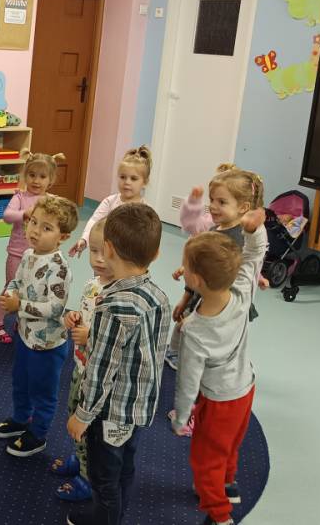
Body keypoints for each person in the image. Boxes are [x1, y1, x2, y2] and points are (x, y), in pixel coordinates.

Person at [65, 204, 172, 525]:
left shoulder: (113, 307)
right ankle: (116, 515)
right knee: (125, 468)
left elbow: (101, 369)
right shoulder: (158, 296)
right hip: (138, 407)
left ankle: (106, 519)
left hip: (109, 413)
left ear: (108, 249)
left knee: (104, 478)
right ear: (156, 254)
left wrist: (83, 415)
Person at [171, 210, 268, 525]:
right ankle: (228, 483)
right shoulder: (241, 292)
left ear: (197, 280)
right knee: (230, 444)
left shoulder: (195, 331)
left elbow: (188, 383)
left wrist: (181, 418)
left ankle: (219, 515)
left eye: (185, 267)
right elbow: (254, 255)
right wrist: (254, 230)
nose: (182, 270)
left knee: (205, 461)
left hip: (218, 402)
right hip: (245, 389)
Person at [0, 195, 78, 458]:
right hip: (25, 336)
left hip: (48, 345)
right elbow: (17, 281)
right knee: (21, 382)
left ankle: (38, 434)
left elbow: (55, 308)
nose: (35, 231)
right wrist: (10, 294)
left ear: (63, 237)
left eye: (46, 228)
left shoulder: (59, 268)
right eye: (34, 222)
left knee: (43, 391)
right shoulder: (28, 255)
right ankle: (20, 419)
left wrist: (20, 305)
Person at [166, 166, 266, 371]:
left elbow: (244, 265)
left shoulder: (238, 238)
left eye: (221, 202)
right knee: (183, 326)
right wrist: (186, 287)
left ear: (243, 207)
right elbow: (204, 264)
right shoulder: (214, 229)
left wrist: (258, 276)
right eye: (212, 200)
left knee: (203, 335)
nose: (212, 206)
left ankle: (205, 363)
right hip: (201, 292)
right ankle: (176, 354)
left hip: (219, 302)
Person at [50, 218, 112, 502]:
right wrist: (73, 317)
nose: (98, 259)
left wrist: (91, 336)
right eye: (94, 251)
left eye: (106, 254)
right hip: (80, 366)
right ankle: (79, 458)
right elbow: (85, 313)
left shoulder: (119, 295)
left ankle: (87, 478)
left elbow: (116, 341)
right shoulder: (92, 284)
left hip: (98, 376)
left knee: (89, 427)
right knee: (73, 414)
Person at [0, 151, 66, 344]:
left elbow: (61, 221)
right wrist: (24, 214)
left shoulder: (51, 201)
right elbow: (7, 216)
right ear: (25, 175)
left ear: (51, 180)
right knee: (11, 288)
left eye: (42, 176)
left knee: (33, 289)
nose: (36, 181)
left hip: (41, 256)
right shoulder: (20, 197)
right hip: (17, 254)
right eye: (32, 175)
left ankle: (22, 320)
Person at [69, 146, 152, 258]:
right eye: (123, 177)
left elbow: (149, 237)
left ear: (145, 182)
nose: (127, 182)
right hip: (107, 255)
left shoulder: (146, 210)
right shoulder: (110, 202)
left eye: (133, 178)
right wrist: (85, 239)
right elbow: (94, 221)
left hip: (130, 258)